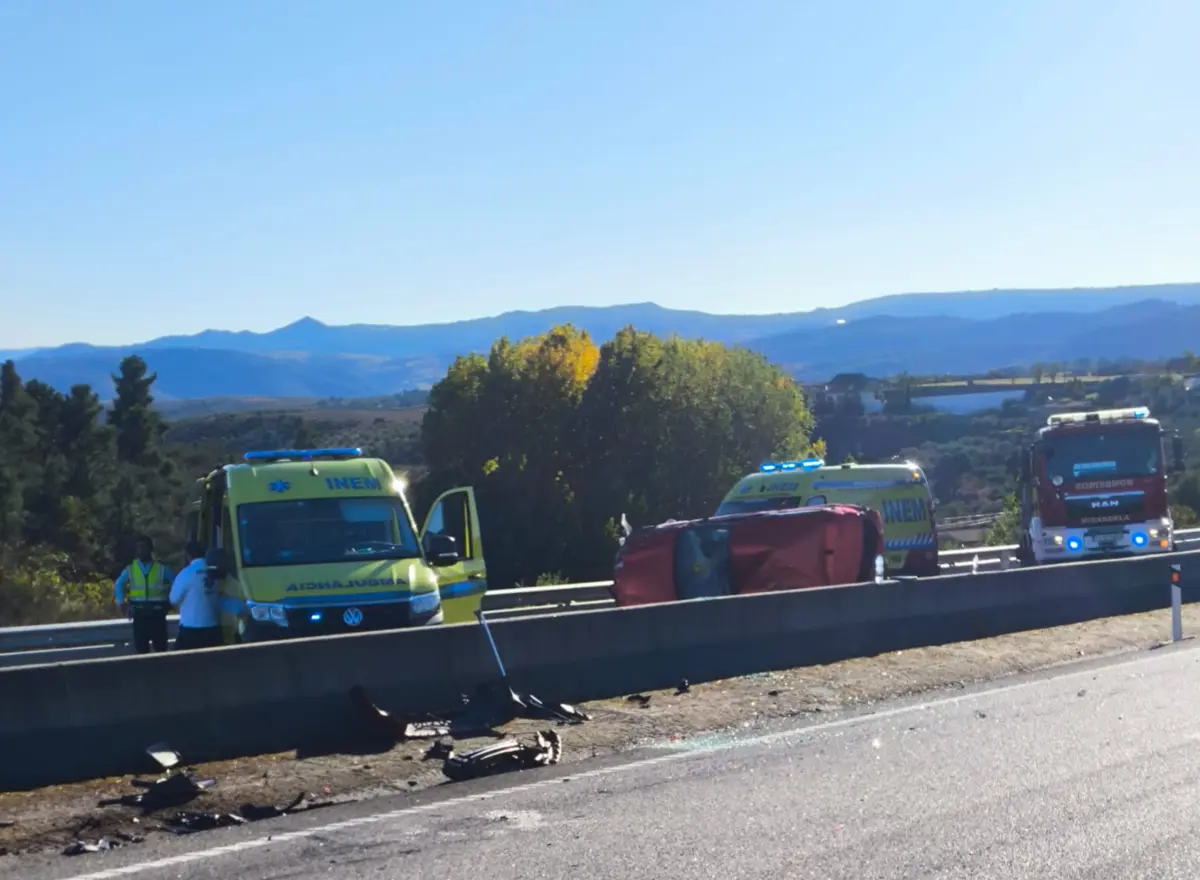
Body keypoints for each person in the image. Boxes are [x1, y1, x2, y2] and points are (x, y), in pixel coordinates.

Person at [113, 535, 174, 654]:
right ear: (136, 551)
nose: (142, 551)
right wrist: (121, 603)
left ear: (151, 549)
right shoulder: (130, 569)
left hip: (158, 614)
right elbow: (119, 584)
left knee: (161, 649)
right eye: (139, 548)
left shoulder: (161, 568)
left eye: (144, 548)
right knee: (141, 650)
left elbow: (176, 582)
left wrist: (171, 601)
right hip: (139, 614)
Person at [170, 540, 222, 650]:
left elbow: (173, 599)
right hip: (212, 627)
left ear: (188, 555)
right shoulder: (216, 573)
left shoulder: (186, 573)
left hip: (190, 629)